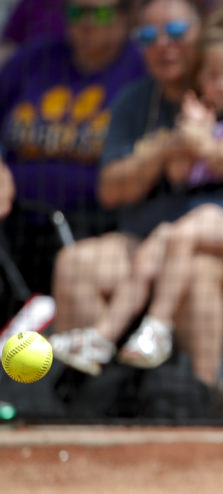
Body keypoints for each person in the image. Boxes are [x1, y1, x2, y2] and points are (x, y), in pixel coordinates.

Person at [49, 0, 223, 396]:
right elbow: (110, 189)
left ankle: (194, 398)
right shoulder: (136, 100)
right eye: (148, 36)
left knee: (195, 267)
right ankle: (96, 389)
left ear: (202, 34)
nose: (163, 45)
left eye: (176, 32)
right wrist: (169, 146)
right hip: (144, 240)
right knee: (76, 263)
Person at [0, 0, 144, 322]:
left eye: (101, 12)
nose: (88, 22)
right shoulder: (35, 59)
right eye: (77, 12)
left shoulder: (140, 70)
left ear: (127, 16)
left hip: (92, 223)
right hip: (13, 219)